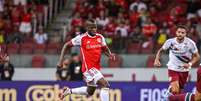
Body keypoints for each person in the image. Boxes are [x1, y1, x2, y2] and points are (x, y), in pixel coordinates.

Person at [57, 19, 115, 101]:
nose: (94, 29)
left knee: (90, 91)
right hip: (88, 68)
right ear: (87, 28)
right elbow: (66, 45)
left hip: (96, 67)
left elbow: (104, 49)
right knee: (105, 84)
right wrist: (60, 61)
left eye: (95, 27)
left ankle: (69, 91)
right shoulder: (82, 38)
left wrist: (110, 54)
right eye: (92, 28)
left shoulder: (100, 37)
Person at [154, 25, 200, 95]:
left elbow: (197, 56)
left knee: (179, 92)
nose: (180, 34)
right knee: (175, 90)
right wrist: (157, 59)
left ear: (185, 34)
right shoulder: (170, 42)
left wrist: (190, 64)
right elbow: (160, 51)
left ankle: (169, 93)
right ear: (176, 32)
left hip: (184, 70)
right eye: (179, 32)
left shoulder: (190, 43)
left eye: (182, 33)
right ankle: (171, 90)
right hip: (173, 68)